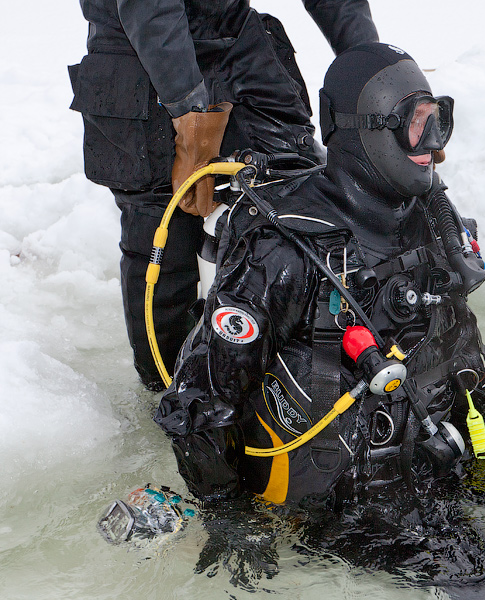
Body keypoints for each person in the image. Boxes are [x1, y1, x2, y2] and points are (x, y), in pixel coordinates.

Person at [147, 43, 485, 596]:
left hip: (450, 439)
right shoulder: (284, 249)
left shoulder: (426, 218)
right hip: (356, 501)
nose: (433, 148)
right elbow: (198, 404)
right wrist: (231, 518)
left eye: (438, 122)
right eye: (415, 127)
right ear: (363, 131)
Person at [68, 0, 379, 391]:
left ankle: (307, 368)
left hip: (236, 44)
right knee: (163, 230)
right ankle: (172, 395)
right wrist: (189, 112)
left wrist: (374, 72)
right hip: (139, 49)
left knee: (303, 199)